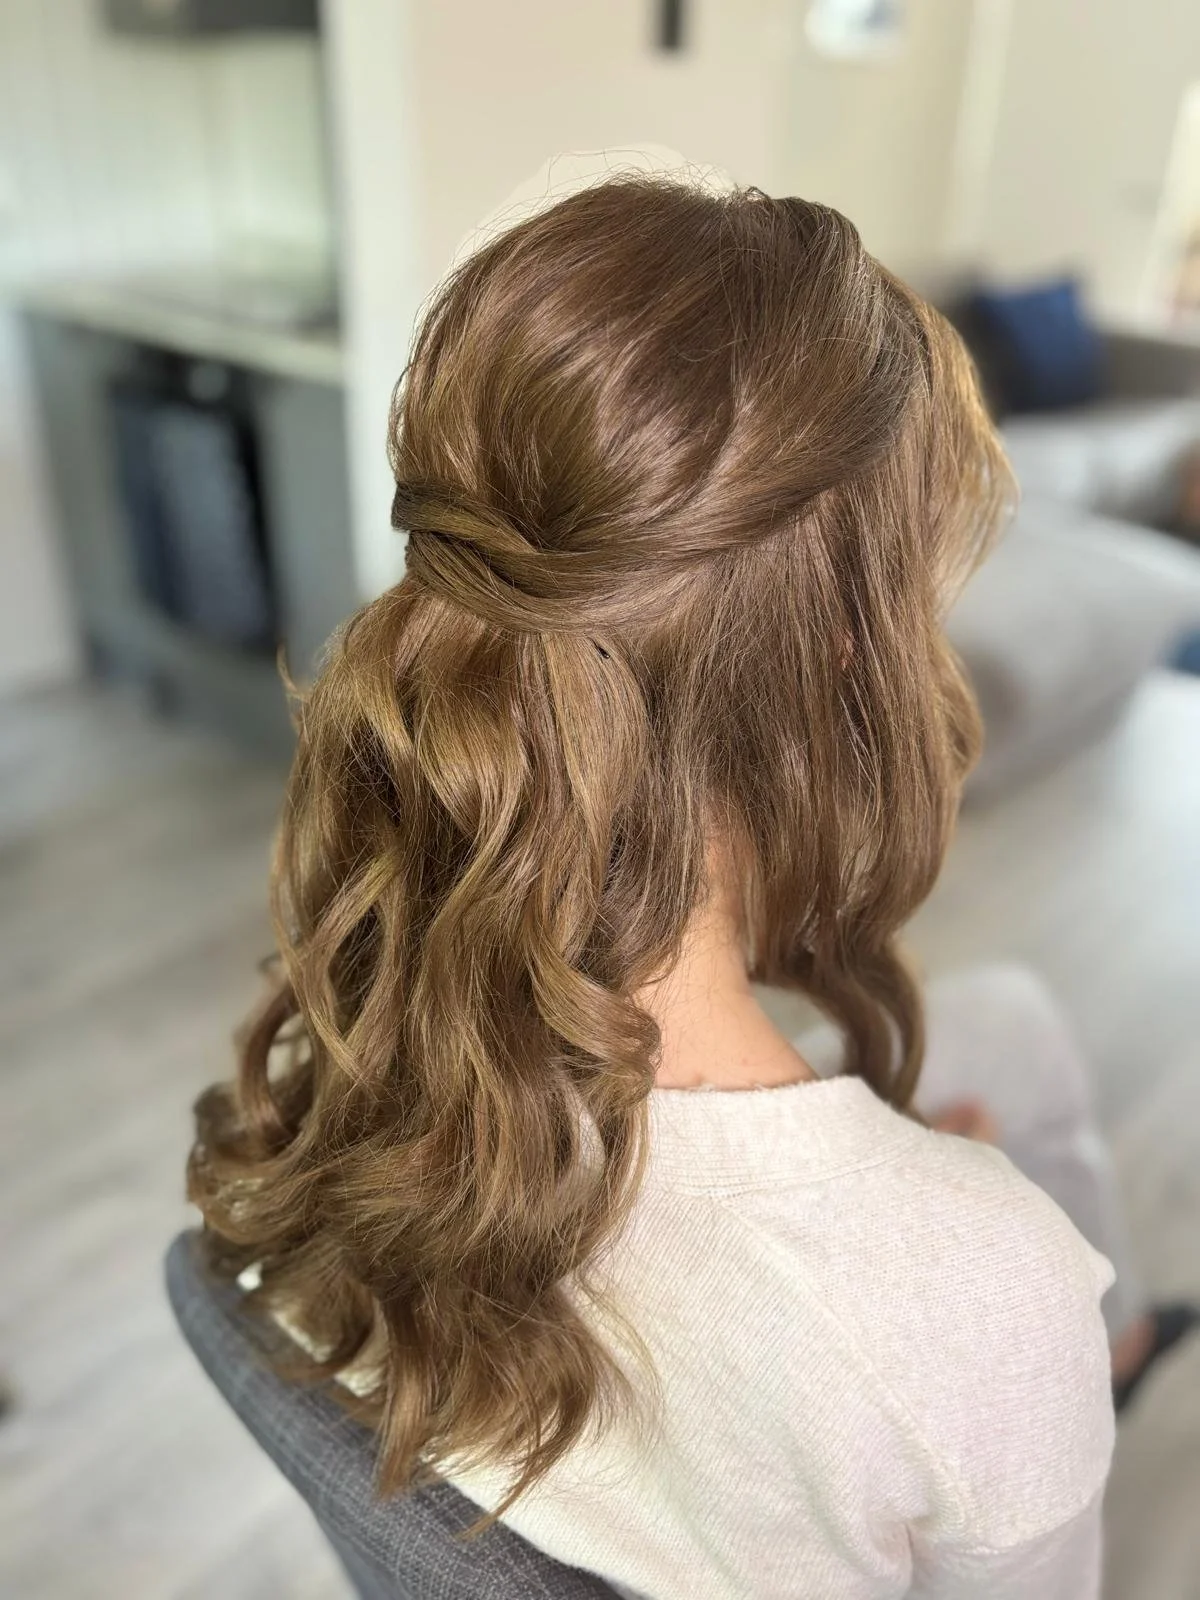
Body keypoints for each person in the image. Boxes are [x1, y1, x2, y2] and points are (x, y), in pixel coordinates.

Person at [188, 151, 1196, 1598]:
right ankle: (1113, 1357)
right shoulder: (991, 1301)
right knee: (1019, 1189)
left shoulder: (328, 1058)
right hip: (960, 1331)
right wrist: (928, 1251)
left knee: (1018, 1022)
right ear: (846, 646)